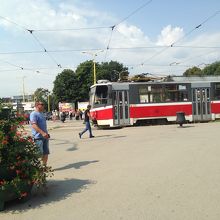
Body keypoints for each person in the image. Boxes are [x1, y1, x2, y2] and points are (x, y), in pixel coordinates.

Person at [30, 101, 50, 165]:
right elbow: (34, 125)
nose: (43, 106)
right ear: (37, 105)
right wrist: (42, 133)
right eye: (42, 104)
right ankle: (36, 167)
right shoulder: (34, 114)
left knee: (46, 152)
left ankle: (44, 167)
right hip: (38, 137)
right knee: (38, 153)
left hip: (45, 136)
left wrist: (46, 133)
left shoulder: (42, 113)